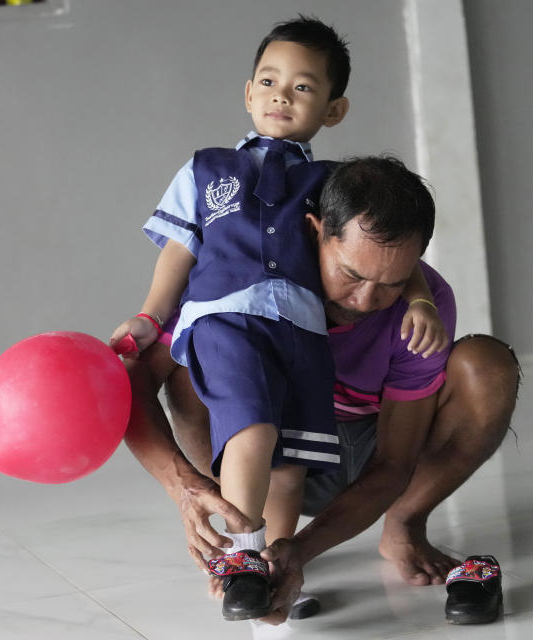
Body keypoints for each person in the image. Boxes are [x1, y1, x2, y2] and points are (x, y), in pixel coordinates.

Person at [108, 17, 445, 621]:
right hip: (228, 322)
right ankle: (240, 558)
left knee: (289, 462)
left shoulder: (330, 184)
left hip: (300, 333)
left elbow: (391, 246)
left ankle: (274, 569)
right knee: (255, 434)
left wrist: (418, 297)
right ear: (248, 93)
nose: (281, 95)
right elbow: (178, 253)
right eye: (269, 81)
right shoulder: (206, 169)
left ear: (334, 110)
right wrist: (148, 317)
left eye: (304, 87)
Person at [119, 155, 521, 625]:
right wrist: (183, 487)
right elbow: (136, 380)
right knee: (196, 359)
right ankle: (243, 533)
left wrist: (300, 552)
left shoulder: (426, 304)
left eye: (392, 284)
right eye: (351, 275)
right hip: (270, 457)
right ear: (316, 232)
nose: (366, 301)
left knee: (487, 366)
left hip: (371, 455)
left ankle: (404, 524)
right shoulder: (242, 277)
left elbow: (393, 465)